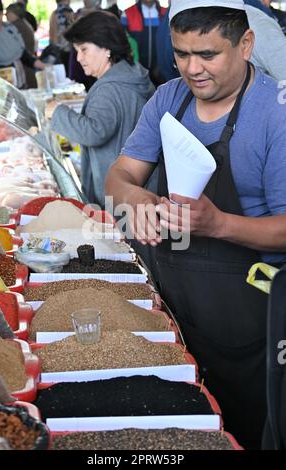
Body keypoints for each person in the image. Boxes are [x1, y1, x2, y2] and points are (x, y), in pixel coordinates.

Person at [106, 0, 286, 449]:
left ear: (246, 44)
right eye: (182, 54)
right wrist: (138, 199)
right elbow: (118, 177)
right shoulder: (169, 98)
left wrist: (219, 224)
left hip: (253, 319)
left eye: (207, 54)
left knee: (245, 428)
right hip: (175, 308)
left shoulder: (275, 113)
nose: (193, 68)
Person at [45, 11, 154, 207]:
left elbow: (95, 132)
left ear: (107, 48)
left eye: (84, 49)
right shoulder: (131, 73)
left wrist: (57, 112)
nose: (78, 58)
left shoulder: (109, 88)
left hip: (117, 192)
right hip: (137, 186)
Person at [0, 0, 45, 88]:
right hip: (1, 81)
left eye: (0, 13)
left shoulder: (9, 27)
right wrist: (5, 78)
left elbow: (23, 53)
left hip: (20, 76)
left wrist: (43, 66)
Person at [121, 0, 167, 86]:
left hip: (161, 73)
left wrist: (162, 66)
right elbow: (124, 44)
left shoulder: (166, 13)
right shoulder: (127, 14)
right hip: (136, 71)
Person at [6, 2, 37, 88]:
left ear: (13, 13)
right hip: (28, 65)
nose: (5, 15)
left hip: (24, 66)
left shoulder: (15, 27)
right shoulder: (24, 23)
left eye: (7, 13)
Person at [49, 0, 74, 74]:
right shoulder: (69, 12)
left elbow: (52, 37)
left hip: (62, 50)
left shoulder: (55, 13)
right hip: (65, 51)